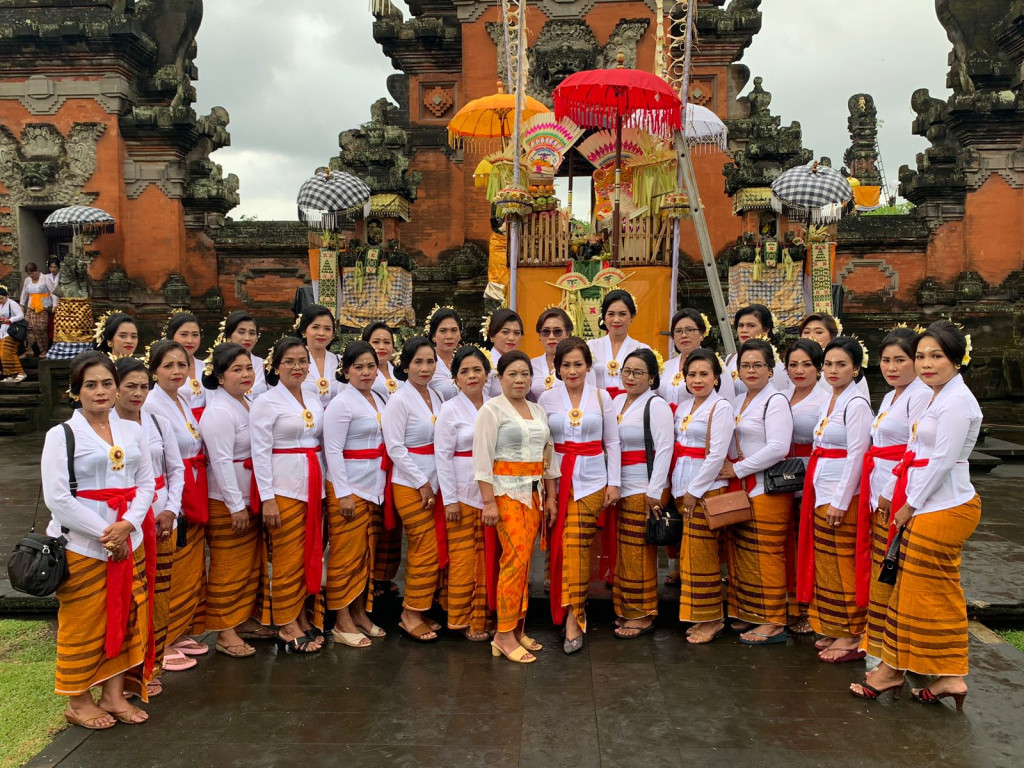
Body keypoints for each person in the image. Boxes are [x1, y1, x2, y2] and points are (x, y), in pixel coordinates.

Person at [851, 321, 982, 709]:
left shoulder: (957, 400)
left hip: (943, 504)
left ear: (957, 359)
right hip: (932, 500)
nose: (927, 363)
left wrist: (911, 502)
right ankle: (948, 676)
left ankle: (895, 670)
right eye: (922, 356)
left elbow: (941, 459)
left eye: (936, 356)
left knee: (921, 591)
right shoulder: (939, 396)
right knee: (923, 590)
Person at [44, 352, 155, 728]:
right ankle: (79, 701)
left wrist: (127, 524)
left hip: (129, 540)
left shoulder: (132, 430)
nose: (101, 391)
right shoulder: (61, 435)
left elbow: (145, 484)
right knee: (83, 622)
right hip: (82, 545)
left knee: (124, 617)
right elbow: (58, 498)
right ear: (76, 391)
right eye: (90, 384)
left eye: (107, 383)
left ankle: (113, 694)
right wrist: (107, 534)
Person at [474, 350, 558, 663]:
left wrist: (551, 496)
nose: (519, 379)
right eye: (512, 374)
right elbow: (482, 459)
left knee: (524, 565)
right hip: (506, 495)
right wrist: (488, 502)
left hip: (534, 495)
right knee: (513, 561)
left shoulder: (537, 410)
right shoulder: (491, 410)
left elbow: (548, 455)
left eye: (525, 374)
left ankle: (517, 627)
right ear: (500, 378)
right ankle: (504, 633)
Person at [539, 336, 620, 653]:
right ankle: (568, 611)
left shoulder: (602, 399)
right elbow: (545, 448)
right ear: (557, 368)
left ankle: (575, 616)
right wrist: (548, 493)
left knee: (576, 546)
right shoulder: (546, 399)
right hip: (558, 482)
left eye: (578, 364)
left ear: (588, 366)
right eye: (565, 365)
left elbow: (612, 443)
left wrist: (613, 483)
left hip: (592, 482)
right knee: (563, 549)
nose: (572, 370)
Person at [796, 336, 872, 663]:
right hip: (820, 488)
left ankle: (851, 633)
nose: (832, 370)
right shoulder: (831, 399)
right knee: (826, 562)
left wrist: (841, 501)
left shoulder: (856, 404)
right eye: (827, 364)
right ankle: (832, 625)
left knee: (841, 564)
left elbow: (857, 455)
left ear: (856, 369)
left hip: (842, 494)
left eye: (841, 364)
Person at [858, 328, 931, 661]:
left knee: (893, 566)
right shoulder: (891, 396)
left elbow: (913, 449)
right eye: (886, 360)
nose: (891, 367)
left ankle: (892, 647)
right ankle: (875, 642)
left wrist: (889, 490)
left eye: (900, 359)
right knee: (879, 564)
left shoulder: (920, 395)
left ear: (915, 361)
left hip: (900, 488)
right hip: (879, 487)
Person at [250, 337, 327, 653]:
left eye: (302, 361)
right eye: (290, 362)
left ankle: (303, 614)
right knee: (286, 557)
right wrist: (267, 497)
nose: (297, 367)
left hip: (313, 484)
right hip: (284, 488)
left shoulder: (313, 397)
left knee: (310, 551)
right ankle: (286, 621)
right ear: (276, 366)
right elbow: (260, 450)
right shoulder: (266, 402)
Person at [718, 339, 796, 645]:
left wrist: (738, 469)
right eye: (745, 366)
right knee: (742, 551)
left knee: (768, 554)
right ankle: (750, 612)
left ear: (770, 370)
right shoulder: (737, 403)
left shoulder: (774, 401)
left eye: (758, 365)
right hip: (741, 489)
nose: (751, 371)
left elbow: (778, 447)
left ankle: (774, 620)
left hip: (767, 487)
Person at [114, 355, 183, 693]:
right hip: (122, 519)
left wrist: (172, 508)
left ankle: (150, 666)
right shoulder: (103, 426)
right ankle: (125, 673)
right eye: (130, 386)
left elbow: (176, 469)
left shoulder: (157, 422)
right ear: (115, 389)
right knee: (129, 596)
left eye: (143, 386)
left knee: (159, 592)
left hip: (160, 516)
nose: (138, 393)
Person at [143, 340, 209, 667]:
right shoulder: (151, 405)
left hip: (192, 487)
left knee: (190, 566)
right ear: (154, 369)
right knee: (169, 567)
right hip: (169, 495)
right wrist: (171, 503)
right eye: (168, 365)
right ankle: (162, 638)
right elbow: (163, 461)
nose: (176, 372)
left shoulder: (181, 398)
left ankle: (179, 627)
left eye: (181, 365)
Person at [323, 341, 388, 648]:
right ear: (346, 370)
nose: (365, 372)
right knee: (345, 556)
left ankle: (360, 613)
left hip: (374, 485)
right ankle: (341, 620)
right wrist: (343, 493)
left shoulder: (378, 397)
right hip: (349, 487)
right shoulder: (341, 403)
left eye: (371, 366)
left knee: (366, 554)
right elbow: (333, 450)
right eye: (358, 367)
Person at [200, 343, 262, 658]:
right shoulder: (219, 411)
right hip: (227, 500)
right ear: (221, 377)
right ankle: (224, 630)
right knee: (228, 564)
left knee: (249, 563)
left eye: (248, 368)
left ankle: (244, 618)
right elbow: (221, 461)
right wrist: (235, 504)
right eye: (236, 369)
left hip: (251, 496)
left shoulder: (247, 402)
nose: (245, 374)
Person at [381, 336, 444, 642]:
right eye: (418, 362)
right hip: (410, 483)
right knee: (424, 546)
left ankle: (421, 606)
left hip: (437, 481)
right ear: (405, 366)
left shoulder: (437, 396)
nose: (425, 367)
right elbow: (395, 447)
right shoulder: (399, 400)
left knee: (433, 547)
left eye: (430, 361)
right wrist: (421, 482)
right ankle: (410, 613)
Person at [673, 349, 735, 643]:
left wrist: (694, 491)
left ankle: (712, 618)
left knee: (703, 557)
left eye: (704, 374)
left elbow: (716, 455)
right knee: (690, 556)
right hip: (682, 487)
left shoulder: (720, 407)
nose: (697, 380)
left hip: (705, 489)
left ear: (716, 378)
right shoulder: (684, 407)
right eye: (691, 374)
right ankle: (699, 614)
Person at [612, 348, 672, 638]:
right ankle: (625, 608)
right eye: (626, 371)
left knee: (639, 552)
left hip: (642, 486)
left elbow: (664, 449)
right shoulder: (616, 402)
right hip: (619, 486)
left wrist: (655, 490)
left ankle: (643, 612)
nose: (630, 377)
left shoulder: (655, 405)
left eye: (638, 373)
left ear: (651, 378)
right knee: (625, 551)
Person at [435, 346, 493, 642]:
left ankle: (483, 616)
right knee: (463, 559)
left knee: (487, 559)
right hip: (461, 489)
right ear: (455, 379)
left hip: (491, 492)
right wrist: (450, 500)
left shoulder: (497, 404)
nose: (471, 376)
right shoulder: (450, 409)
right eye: (464, 372)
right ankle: (461, 618)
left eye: (477, 370)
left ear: (487, 373)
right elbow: (442, 457)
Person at [783, 339, 830, 634]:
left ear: (818, 367)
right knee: (788, 543)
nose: (799, 371)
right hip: (783, 476)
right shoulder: (783, 395)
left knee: (808, 543)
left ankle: (812, 610)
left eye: (807, 364)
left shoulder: (826, 399)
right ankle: (792, 603)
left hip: (810, 475)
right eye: (793, 364)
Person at [660, 308, 735, 408]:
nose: (683, 335)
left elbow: (727, 400)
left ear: (702, 333)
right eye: (678, 331)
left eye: (690, 330)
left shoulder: (715, 364)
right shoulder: (665, 366)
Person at [588, 289, 649, 399]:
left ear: (632, 316)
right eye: (611, 314)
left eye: (622, 314)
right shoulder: (590, 347)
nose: (616, 320)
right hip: (597, 405)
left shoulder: (642, 349)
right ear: (603, 317)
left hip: (630, 406)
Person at [722, 304, 788, 396]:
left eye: (751, 325)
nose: (744, 330)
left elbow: (779, 392)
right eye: (740, 325)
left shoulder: (773, 361)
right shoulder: (731, 358)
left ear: (766, 330)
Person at [799, 313, 870, 397]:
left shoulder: (850, 370)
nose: (811, 336)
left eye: (819, 332)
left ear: (832, 337)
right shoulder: (795, 367)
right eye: (806, 332)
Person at [165, 311, 206, 420]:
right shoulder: (163, 369)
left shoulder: (206, 368)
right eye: (184, 334)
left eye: (195, 335)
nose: (190, 340)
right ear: (171, 336)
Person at [297, 304, 340, 409]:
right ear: (304, 331)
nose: (321, 333)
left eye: (327, 329)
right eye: (315, 327)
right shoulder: (292, 362)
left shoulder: (340, 361)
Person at [223, 311, 268, 399]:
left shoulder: (264, 365)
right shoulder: (219, 364)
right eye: (241, 332)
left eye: (252, 333)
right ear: (229, 336)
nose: (247, 338)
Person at [531, 307, 573, 401]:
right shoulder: (531, 365)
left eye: (557, 331)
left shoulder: (579, 364)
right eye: (546, 332)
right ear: (540, 336)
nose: (551, 337)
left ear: (568, 334)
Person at [485, 309, 525, 398]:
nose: (511, 338)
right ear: (492, 335)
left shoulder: (523, 363)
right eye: (505, 332)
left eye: (517, 333)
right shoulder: (484, 363)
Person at [427, 306, 463, 402]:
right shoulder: (426, 363)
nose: (449, 336)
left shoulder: (463, 361)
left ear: (460, 334)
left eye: (454, 330)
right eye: (443, 331)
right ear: (433, 335)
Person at [19, 262, 54, 358]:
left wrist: (55, 305)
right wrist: (22, 304)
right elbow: (24, 293)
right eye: (29, 274)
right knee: (28, 327)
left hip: (43, 306)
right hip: (31, 306)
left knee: (41, 328)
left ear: (37, 270)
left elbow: (53, 292)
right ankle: (29, 350)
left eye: (32, 273)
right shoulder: (27, 280)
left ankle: (44, 350)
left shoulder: (45, 278)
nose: (31, 275)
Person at [362, 321, 402, 402]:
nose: (381, 347)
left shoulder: (400, 370)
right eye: (376, 342)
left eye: (387, 342)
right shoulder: (357, 372)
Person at [0, 285, 26, 382]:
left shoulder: (12, 303)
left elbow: (21, 315)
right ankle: (11, 374)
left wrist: (10, 319)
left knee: (7, 351)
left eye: (1, 298)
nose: (0, 300)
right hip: (2, 331)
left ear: (6, 296)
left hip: (12, 331)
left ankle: (20, 372)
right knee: (2, 354)